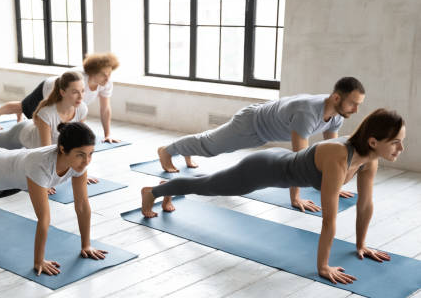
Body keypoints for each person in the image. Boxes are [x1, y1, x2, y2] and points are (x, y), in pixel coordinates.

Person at [141, 108, 404, 285]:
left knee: (209, 185)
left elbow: (365, 205)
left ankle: (167, 190)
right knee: (210, 186)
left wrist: (360, 246)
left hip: (283, 164)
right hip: (264, 169)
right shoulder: (339, 156)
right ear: (372, 141)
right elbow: (328, 219)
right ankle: (154, 191)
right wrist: (323, 267)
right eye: (395, 142)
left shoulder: (369, 159)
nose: (400, 148)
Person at [158, 77, 366, 212]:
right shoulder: (307, 114)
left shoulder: (337, 114)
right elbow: (299, 161)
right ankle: (167, 151)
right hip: (251, 125)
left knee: (210, 143)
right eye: (353, 103)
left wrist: (334, 184)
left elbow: (333, 152)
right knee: (210, 146)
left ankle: (185, 150)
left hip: (265, 131)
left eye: (359, 104)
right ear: (336, 97)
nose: (356, 110)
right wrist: (296, 199)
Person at [0, 122, 107, 276]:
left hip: (17, 179)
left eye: (90, 154)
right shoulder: (40, 164)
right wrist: (39, 261)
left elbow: (82, 206)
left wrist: (86, 245)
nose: (87, 161)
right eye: (81, 155)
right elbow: (44, 218)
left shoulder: (79, 165)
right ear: (63, 149)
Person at [0, 52, 120, 143]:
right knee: (24, 107)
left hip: (67, 102)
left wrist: (107, 134)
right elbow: (56, 112)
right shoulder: (78, 77)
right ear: (92, 73)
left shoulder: (106, 83)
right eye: (103, 74)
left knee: (25, 108)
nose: (108, 78)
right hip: (49, 89)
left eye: (109, 74)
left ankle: (19, 113)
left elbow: (105, 109)